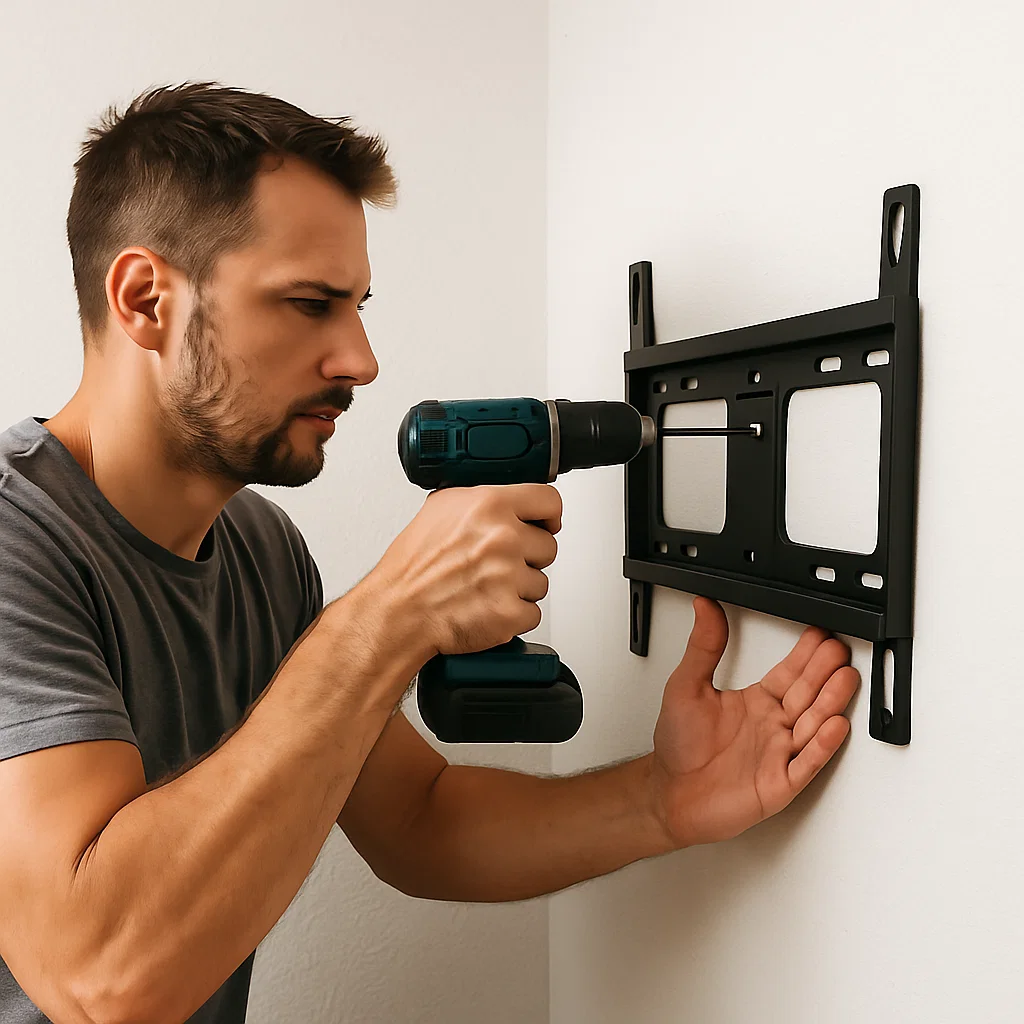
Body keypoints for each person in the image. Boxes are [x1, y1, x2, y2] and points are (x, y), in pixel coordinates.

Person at [0, 82, 859, 1024]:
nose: (361, 358)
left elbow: (420, 822)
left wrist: (663, 798)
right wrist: (386, 617)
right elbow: (99, 978)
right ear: (144, 299)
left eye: (359, 306)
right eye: (310, 303)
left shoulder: (258, 549)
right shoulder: (16, 539)